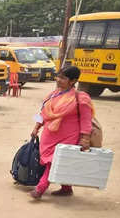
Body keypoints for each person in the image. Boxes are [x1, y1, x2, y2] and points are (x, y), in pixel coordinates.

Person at [30, 66, 92, 199]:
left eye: (63, 78)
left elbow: (86, 119)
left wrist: (85, 138)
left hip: (68, 136)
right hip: (49, 135)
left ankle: (40, 188)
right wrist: (36, 127)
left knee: (54, 161)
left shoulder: (80, 98)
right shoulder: (52, 95)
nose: (58, 80)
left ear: (73, 81)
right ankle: (66, 188)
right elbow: (43, 113)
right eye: (58, 76)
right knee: (59, 161)